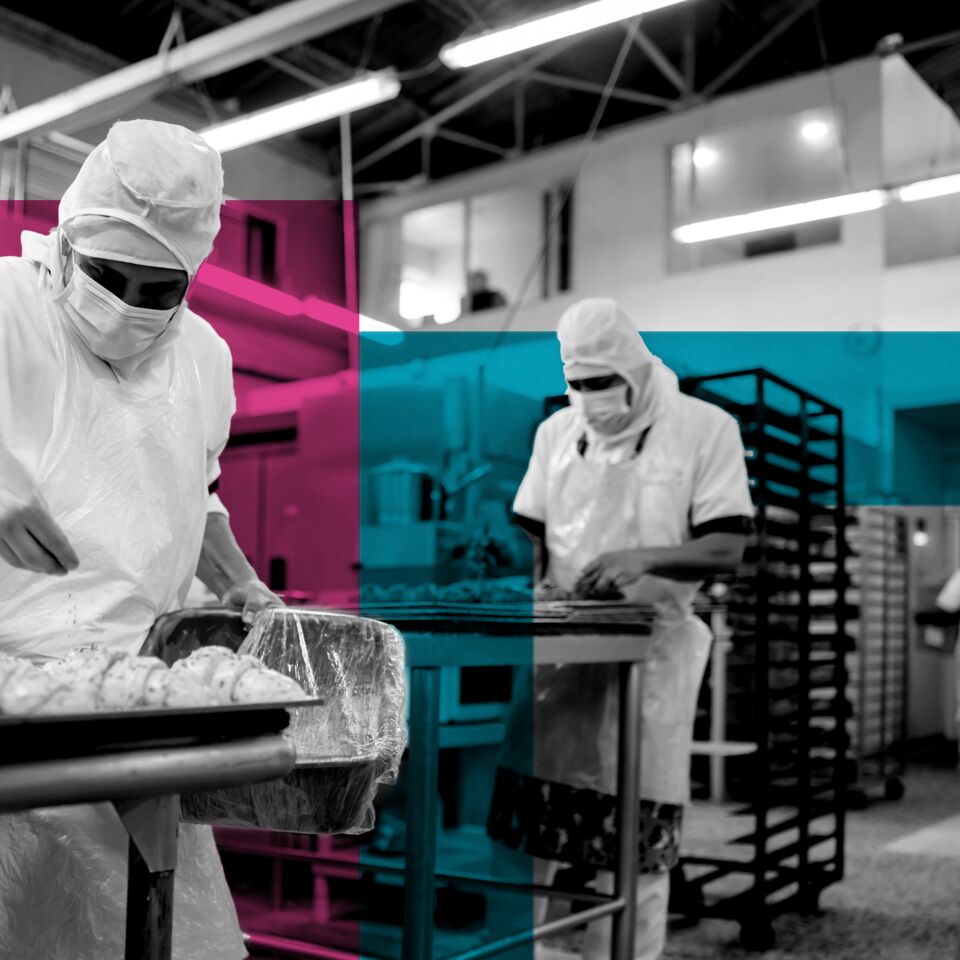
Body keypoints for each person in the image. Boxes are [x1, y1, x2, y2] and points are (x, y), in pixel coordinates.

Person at [0, 119, 282, 959]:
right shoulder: (8, 308)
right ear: (65, 239)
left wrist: (240, 582)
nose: (126, 304)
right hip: (10, 699)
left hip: (134, 703)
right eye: (104, 275)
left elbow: (194, 494)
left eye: (156, 288)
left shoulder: (206, 358)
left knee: (153, 935)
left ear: (194, 276)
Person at [487, 299, 755, 960]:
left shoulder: (704, 427)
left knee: (633, 835)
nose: (588, 397)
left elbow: (727, 546)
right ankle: (522, 951)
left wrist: (640, 559)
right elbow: (530, 533)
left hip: (651, 656)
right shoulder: (556, 433)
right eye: (576, 384)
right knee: (530, 820)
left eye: (601, 383)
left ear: (635, 371)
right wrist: (525, 575)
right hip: (559, 649)